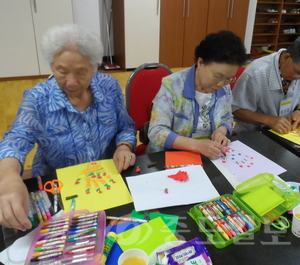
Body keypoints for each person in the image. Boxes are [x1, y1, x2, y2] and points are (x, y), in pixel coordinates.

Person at [0, 24, 137, 230]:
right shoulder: (38, 99)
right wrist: (9, 179)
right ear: (52, 65)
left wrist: (124, 146)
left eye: (81, 72)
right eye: (61, 71)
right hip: (58, 193)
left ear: (94, 66)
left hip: (107, 184)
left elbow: (125, 126)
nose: (71, 82)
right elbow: (15, 141)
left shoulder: (109, 87)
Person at [148, 30, 247, 159]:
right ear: (200, 63)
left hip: (209, 155)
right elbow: (156, 132)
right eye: (218, 76)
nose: (221, 84)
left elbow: (227, 116)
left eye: (229, 78)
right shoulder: (172, 86)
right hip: (170, 156)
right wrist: (196, 145)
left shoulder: (224, 87)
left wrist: (221, 131)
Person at [232, 33, 300, 134]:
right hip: (252, 135)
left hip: (283, 133)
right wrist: (268, 120)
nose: (299, 78)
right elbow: (236, 110)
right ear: (287, 57)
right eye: (298, 72)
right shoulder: (256, 74)